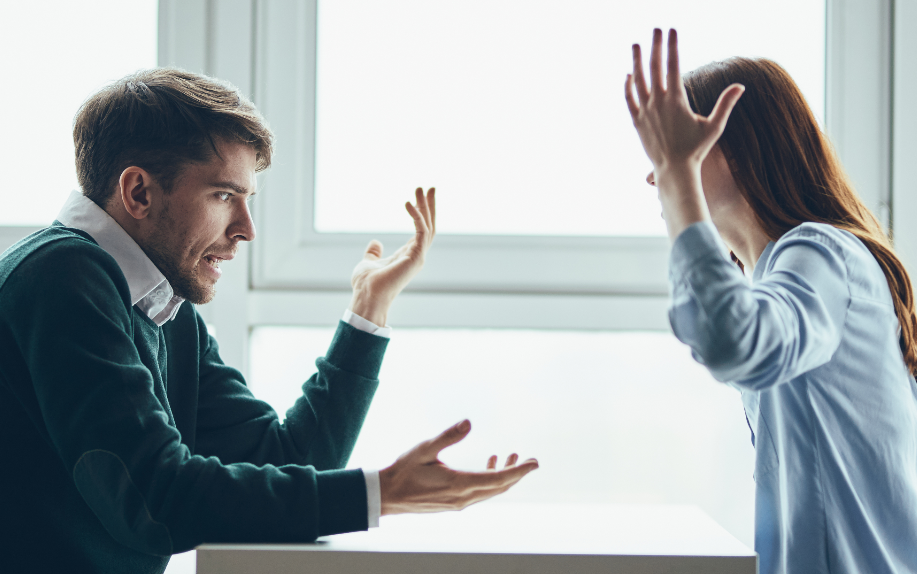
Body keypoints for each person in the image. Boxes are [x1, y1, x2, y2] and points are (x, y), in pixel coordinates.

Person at [0, 68, 538, 573]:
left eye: (247, 199)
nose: (246, 228)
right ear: (138, 191)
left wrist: (367, 308)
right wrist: (381, 492)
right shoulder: (63, 276)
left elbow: (290, 461)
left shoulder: (162, 307)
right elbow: (153, 498)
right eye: (223, 195)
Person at [625, 29, 917, 574]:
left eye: (682, 144)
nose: (655, 173)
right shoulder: (788, 275)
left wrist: (678, 177)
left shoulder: (822, 252)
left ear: (741, 150)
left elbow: (732, 340)